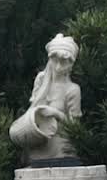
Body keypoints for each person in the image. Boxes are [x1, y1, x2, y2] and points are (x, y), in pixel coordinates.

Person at [10, 33, 81, 164]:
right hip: (38, 138)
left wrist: (56, 113)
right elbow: (32, 110)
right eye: (55, 60)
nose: (59, 66)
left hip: (60, 145)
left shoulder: (73, 89)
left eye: (64, 62)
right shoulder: (42, 80)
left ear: (71, 64)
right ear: (50, 60)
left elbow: (75, 127)